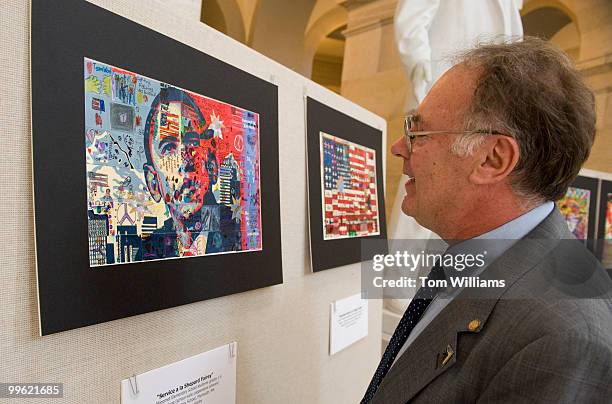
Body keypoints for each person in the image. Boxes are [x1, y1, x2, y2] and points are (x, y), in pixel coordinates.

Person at [362, 37, 612, 403]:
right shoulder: (474, 259)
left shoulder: (561, 339)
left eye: (418, 132)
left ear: (492, 159)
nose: (400, 147)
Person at [142, 87, 240, 259]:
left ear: (212, 166)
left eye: (192, 142)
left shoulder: (238, 233)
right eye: (169, 148)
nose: (185, 160)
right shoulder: (151, 249)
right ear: (153, 183)